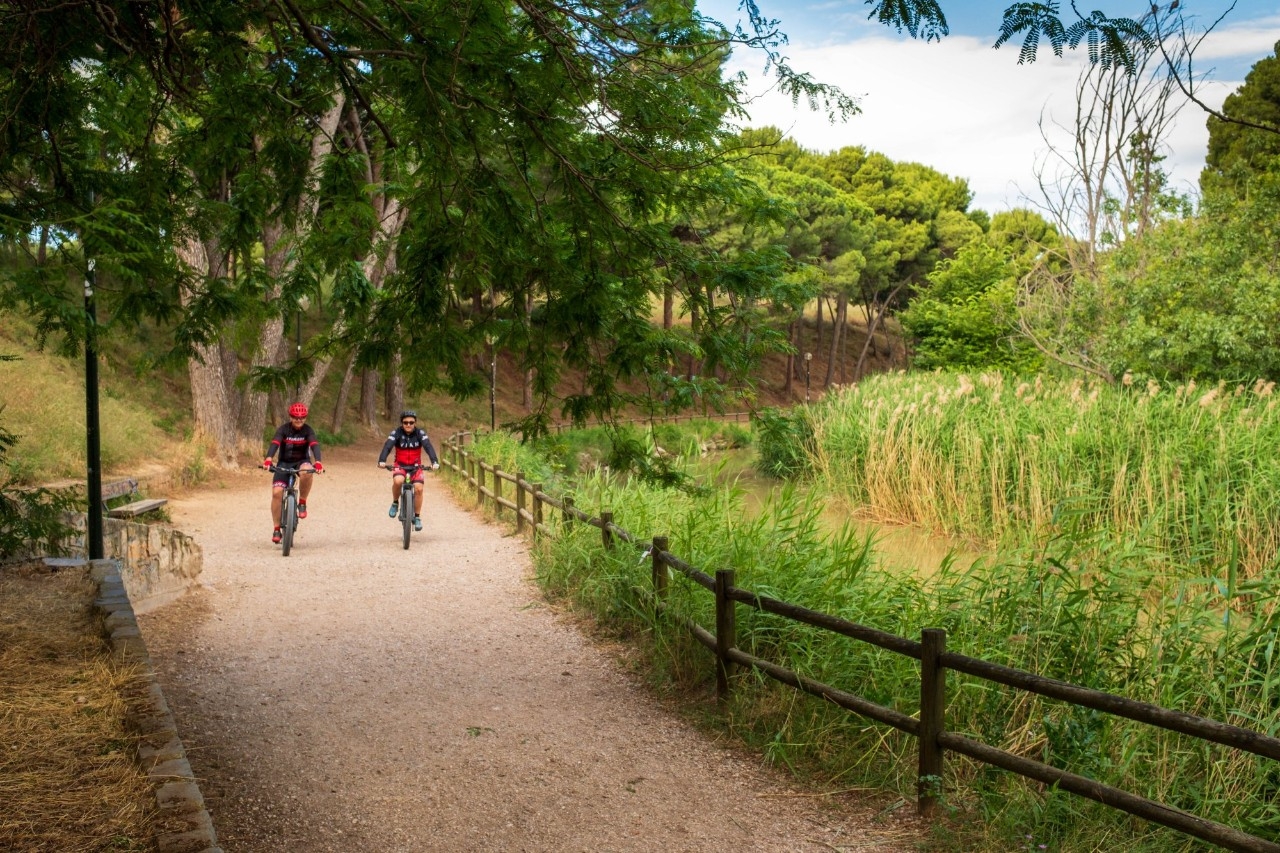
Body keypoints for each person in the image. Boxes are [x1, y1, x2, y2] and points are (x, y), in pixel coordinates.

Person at [262, 402, 323, 544]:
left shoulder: (308, 430)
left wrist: (318, 461)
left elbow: (314, 445)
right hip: (284, 463)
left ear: (305, 418)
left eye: (302, 418)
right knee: (277, 493)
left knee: (307, 472)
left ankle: (302, 502)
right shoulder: (283, 429)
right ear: (291, 417)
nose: (299, 420)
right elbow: (275, 443)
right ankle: (277, 528)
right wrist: (269, 459)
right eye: (296, 417)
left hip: (301, 461)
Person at [377, 410, 439, 532]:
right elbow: (388, 446)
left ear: (415, 423)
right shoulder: (396, 433)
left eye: (411, 422)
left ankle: (417, 517)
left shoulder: (420, 433)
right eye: (405, 422)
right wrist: (382, 460)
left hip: (416, 467)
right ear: (402, 423)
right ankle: (395, 503)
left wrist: (434, 461)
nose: (408, 425)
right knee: (398, 481)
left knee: (419, 489)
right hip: (400, 465)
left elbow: (428, 446)